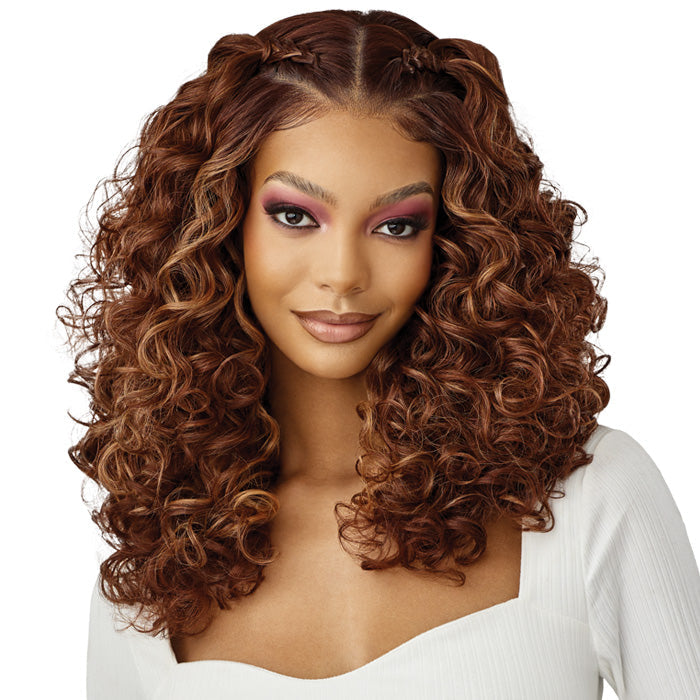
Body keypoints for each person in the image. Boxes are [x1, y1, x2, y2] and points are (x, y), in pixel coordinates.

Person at [58, 8, 700, 699]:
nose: (343, 274)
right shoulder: (156, 565)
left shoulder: (590, 498)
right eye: (295, 216)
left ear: (455, 241)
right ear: (219, 223)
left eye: (396, 226)